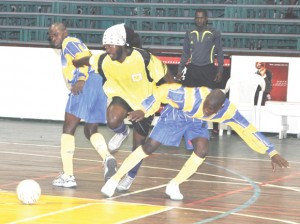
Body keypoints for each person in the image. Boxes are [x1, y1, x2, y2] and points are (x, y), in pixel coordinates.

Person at [101, 83, 290, 200]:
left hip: (196, 122)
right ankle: (115, 179)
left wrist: (271, 151)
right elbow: (163, 91)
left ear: (220, 107)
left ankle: (174, 184)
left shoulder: (228, 111)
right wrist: (145, 109)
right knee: (149, 146)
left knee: (202, 149)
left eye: (211, 110)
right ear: (205, 99)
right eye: (206, 106)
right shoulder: (189, 97)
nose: (207, 110)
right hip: (177, 114)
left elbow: (247, 129)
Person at [72, 23, 175, 191]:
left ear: (122, 44)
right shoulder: (105, 59)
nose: (108, 49)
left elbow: (167, 77)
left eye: (111, 45)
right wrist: (76, 61)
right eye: (105, 46)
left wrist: (178, 98)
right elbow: (88, 60)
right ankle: (121, 131)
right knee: (112, 120)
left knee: (138, 148)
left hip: (145, 104)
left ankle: (130, 176)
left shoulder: (144, 58)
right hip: (123, 97)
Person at [48, 22, 117, 188]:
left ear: (65, 32)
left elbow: (82, 58)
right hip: (99, 83)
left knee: (68, 129)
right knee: (90, 129)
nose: (53, 38)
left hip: (85, 83)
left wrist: (80, 78)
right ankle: (107, 157)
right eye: (51, 35)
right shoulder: (75, 41)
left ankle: (68, 176)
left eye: (56, 34)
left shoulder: (68, 43)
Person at [176, 8, 224, 135]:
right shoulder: (190, 32)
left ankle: (215, 126)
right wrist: (180, 69)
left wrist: (220, 70)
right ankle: (185, 124)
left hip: (208, 69)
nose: (199, 20)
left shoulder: (214, 32)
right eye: (197, 17)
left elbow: (219, 52)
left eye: (202, 17)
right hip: (193, 69)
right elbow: (185, 53)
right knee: (188, 98)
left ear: (207, 19)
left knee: (211, 98)